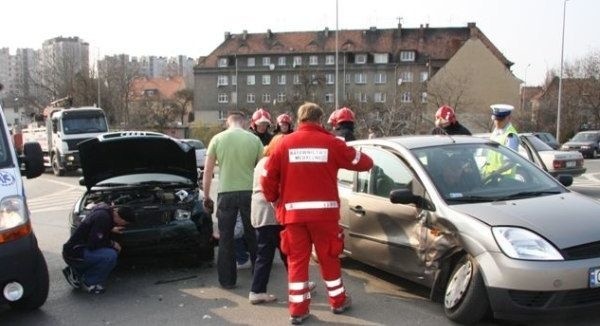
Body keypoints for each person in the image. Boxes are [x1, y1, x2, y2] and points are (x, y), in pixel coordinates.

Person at [261, 102, 373, 324]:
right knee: (329, 258)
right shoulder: (331, 143)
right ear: (320, 120)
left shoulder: (283, 144)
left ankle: (298, 310)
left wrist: (274, 198)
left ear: (299, 120)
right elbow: (365, 163)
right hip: (325, 216)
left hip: (293, 216)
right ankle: (338, 301)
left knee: (296, 261)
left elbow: (266, 176)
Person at [203, 111, 263, 289]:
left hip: (226, 194)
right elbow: (262, 169)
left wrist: (206, 196)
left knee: (226, 239)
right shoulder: (254, 140)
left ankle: (227, 281)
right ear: (244, 123)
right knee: (253, 236)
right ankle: (258, 278)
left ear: (228, 122)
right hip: (249, 193)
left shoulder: (217, 139)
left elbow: (207, 171)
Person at [62, 203, 133, 294]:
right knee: (110, 256)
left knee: (107, 253)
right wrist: (112, 244)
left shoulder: (105, 210)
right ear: (120, 218)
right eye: (125, 223)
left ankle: (76, 271)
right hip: (76, 253)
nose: (124, 225)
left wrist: (110, 229)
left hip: (72, 251)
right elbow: (94, 243)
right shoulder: (103, 219)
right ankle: (90, 283)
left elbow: (93, 227)